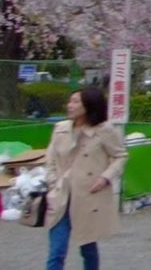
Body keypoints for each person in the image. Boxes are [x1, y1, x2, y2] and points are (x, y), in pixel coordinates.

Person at [45, 87, 128, 270]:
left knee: (88, 247)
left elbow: (120, 156)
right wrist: (52, 182)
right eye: (70, 101)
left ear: (89, 105)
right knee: (57, 251)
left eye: (76, 102)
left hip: (88, 196)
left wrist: (105, 178)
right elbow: (50, 158)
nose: (70, 105)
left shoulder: (104, 130)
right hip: (61, 196)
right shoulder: (60, 129)